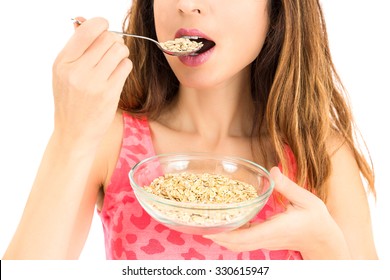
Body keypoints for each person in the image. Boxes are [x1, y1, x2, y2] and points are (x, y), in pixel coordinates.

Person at [3, 0, 377, 260]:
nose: (186, 4)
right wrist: (71, 137)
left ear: (277, 8)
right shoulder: (110, 137)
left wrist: (324, 246)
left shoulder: (318, 151)